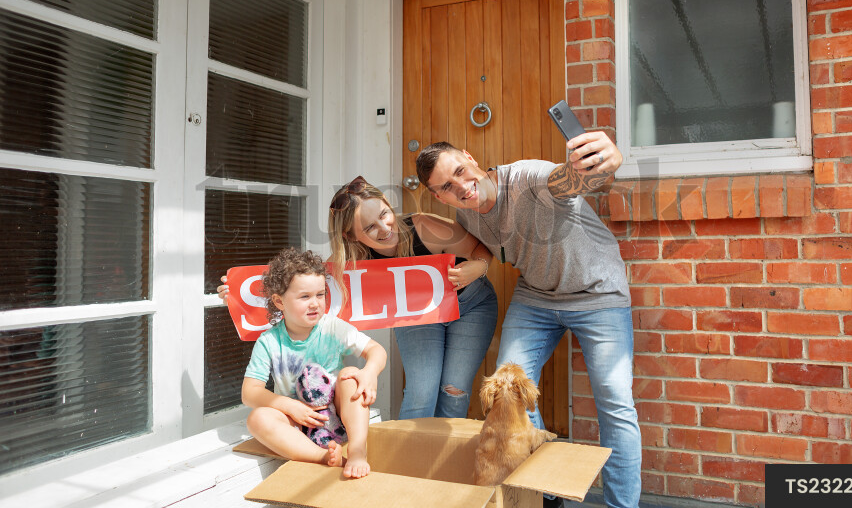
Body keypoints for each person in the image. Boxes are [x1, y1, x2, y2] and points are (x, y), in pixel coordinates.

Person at [414, 132, 641, 508]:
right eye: (447, 187)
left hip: (598, 294)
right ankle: (543, 494)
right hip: (536, 297)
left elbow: (571, 180)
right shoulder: (464, 213)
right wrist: (480, 263)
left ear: (470, 157)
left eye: (459, 171)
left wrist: (603, 163)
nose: (461, 187)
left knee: (615, 403)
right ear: (439, 197)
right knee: (509, 396)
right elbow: (483, 243)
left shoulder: (527, 178)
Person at [328, 175, 498, 419]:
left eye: (384, 214)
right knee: (422, 391)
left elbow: (478, 249)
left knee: (454, 391)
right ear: (351, 236)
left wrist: (479, 266)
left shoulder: (424, 227)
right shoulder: (354, 268)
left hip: (471, 305)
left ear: (388, 203)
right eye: (369, 227)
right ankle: (410, 457)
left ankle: (445, 455)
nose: (385, 228)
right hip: (418, 314)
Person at [240, 247, 386, 479]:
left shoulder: (332, 327)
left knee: (350, 374)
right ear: (279, 301)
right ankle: (323, 456)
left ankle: (358, 449)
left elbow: (376, 350)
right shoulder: (269, 341)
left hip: (336, 416)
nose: (315, 303)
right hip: (296, 425)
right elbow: (249, 393)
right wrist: (290, 407)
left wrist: (370, 372)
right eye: (305, 297)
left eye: (320, 294)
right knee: (257, 418)